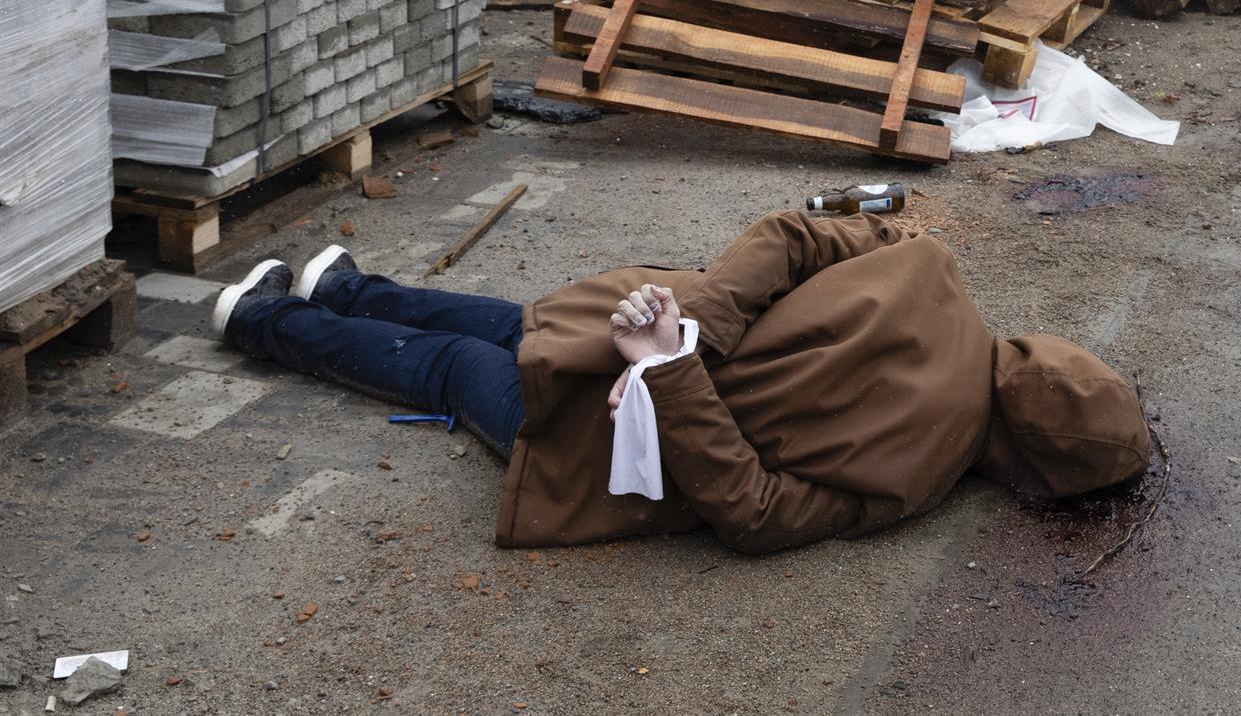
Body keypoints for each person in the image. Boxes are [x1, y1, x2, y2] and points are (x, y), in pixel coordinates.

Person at [209, 212, 1151, 553]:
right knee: (479, 359)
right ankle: (265, 320)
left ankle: (332, 287)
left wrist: (684, 335)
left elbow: (792, 235)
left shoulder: (932, 267)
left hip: (641, 350)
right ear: (1032, 465)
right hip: (633, 436)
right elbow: (755, 513)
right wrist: (679, 353)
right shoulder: (921, 478)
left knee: (513, 324)